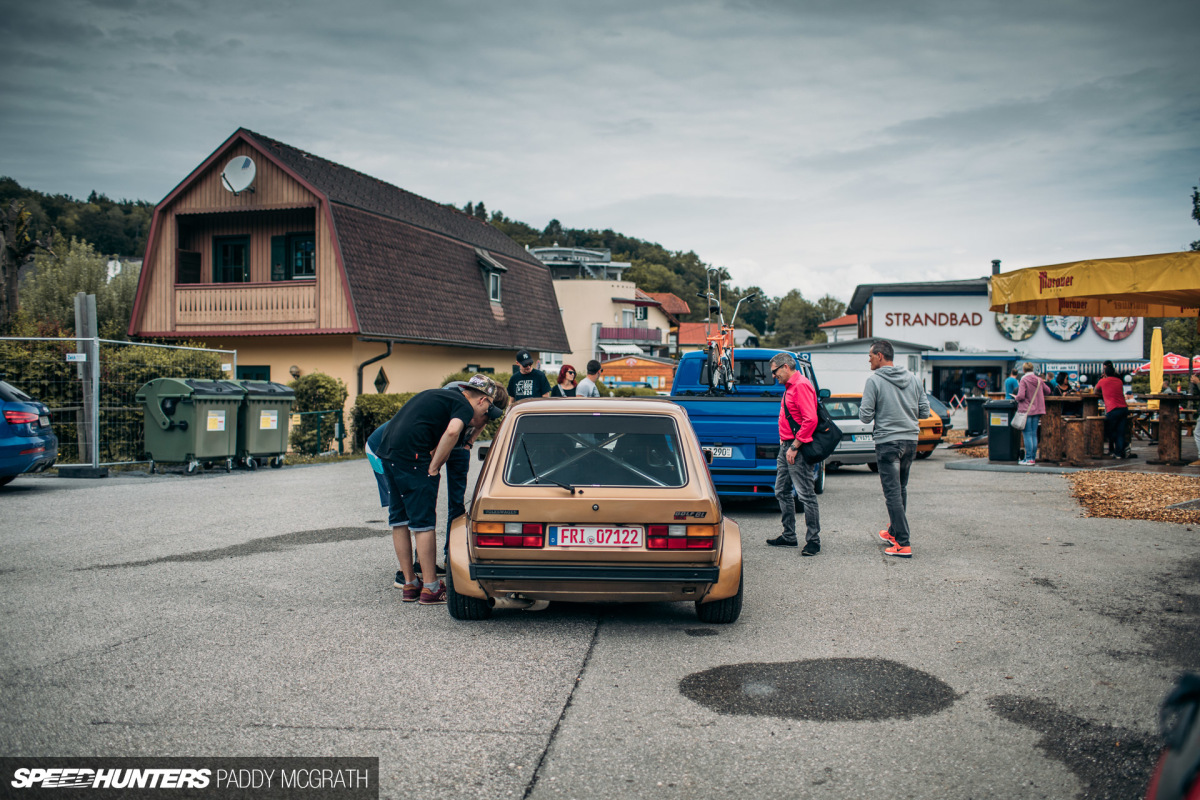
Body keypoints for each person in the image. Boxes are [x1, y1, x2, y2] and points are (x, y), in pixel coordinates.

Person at [375, 378, 498, 604]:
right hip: (413, 457)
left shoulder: (442, 396)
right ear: (482, 400)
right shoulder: (463, 405)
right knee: (423, 523)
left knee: (399, 519)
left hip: (388, 452)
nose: (485, 415)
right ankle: (431, 587)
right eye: (487, 409)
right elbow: (452, 432)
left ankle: (410, 583)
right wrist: (433, 468)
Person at [860, 339, 929, 558]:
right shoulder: (914, 379)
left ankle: (903, 543)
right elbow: (925, 412)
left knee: (892, 493)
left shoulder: (874, 381)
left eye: (870, 356)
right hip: (910, 441)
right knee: (901, 489)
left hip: (888, 442)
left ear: (880, 356)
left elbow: (865, 416)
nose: (869, 360)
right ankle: (893, 532)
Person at [434, 376, 508, 574]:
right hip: (441, 442)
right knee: (427, 498)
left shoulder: (483, 403)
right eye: (486, 413)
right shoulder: (457, 395)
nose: (485, 419)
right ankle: (422, 559)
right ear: (482, 401)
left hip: (460, 447)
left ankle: (450, 556)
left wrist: (469, 442)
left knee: (456, 503)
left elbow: (483, 421)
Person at [766, 352, 821, 556]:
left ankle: (813, 541)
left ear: (785, 367)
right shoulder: (790, 387)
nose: (774, 376)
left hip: (797, 448)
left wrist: (795, 446)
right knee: (781, 490)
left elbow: (810, 420)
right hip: (787, 446)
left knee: (806, 495)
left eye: (775, 372)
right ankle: (789, 536)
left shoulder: (800, 385)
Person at [1014, 362, 1050, 466]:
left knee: (1027, 434)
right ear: (1032, 369)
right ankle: (1032, 458)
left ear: (1024, 370)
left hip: (1027, 410)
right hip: (1038, 410)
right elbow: (1048, 391)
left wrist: (1016, 397)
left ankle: (1028, 458)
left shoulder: (1024, 380)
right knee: (1034, 434)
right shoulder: (1039, 380)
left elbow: (1021, 395)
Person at [1095, 361, 1130, 458]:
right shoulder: (1119, 381)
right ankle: (1119, 452)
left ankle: (1119, 448)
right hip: (1123, 408)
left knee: (1109, 431)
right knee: (1120, 432)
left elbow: (1095, 391)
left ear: (1105, 373)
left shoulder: (1102, 381)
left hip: (1112, 409)